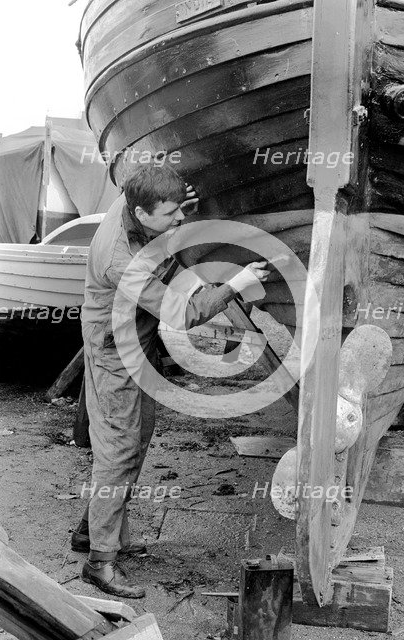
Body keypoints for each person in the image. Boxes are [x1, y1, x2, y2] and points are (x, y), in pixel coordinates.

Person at [71, 164, 269, 598]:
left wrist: (177, 203)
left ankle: (92, 530)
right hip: (113, 349)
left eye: (182, 210)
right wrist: (238, 282)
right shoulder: (120, 260)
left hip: (136, 338)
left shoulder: (128, 202)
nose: (181, 219)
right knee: (119, 449)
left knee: (139, 437)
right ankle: (100, 563)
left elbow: (143, 191)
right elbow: (184, 314)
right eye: (170, 214)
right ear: (142, 215)